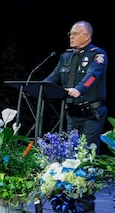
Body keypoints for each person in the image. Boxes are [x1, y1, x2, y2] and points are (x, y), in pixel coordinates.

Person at [43, 21, 108, 150]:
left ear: (87, 36)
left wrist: (79, 89)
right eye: (70, 34)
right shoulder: (66, 56)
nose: (71, 37)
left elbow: (92, 76)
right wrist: (40, 87)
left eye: (75, 34)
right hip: (72, 112)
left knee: (87, 152)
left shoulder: (97, 55)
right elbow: (53, 77)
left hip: (91, 113)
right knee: (70, 151)